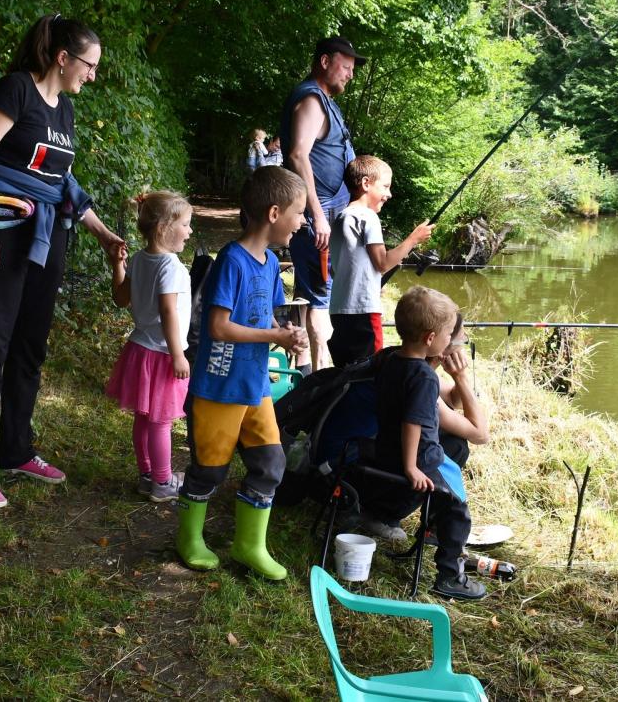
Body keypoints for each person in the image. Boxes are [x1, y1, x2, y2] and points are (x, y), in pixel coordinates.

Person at [0, 14, 124, 509]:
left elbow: (60, 182)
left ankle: (16, 450)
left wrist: (103, 234)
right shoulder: (17, 90)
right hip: (3, 229)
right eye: (89, 65)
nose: (93, 75)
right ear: (63, 58)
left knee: (30, 347)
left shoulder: (64, 109)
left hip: (48, 237)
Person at [176, 165, 309, 580]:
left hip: (255, 387)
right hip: (219, 387)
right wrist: (273, 334)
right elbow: (218, 327)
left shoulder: (270, 263)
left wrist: (287, 334)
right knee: (209, 471)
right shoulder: (231, 261)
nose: (302, 221)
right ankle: (189, 539)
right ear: (274, 213)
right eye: (299, 212)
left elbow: (265, 315)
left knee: (271, 464)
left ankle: (249, 546)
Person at [369, 286, 486, 600]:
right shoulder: (423, 377)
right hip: (424, 458)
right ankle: (449, 575)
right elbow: (413, 422)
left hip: (385, 450)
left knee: (450, 503)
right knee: (457, 509)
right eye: (449, 334)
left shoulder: (390, 359)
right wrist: (412, 467)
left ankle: (437, 536)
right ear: (431, 338)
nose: (452, 340)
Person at [279, 36, 365, 374]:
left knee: (310, 293)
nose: (350, 74)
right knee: (321, 299)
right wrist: (317, 215)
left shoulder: (323, 99)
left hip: (326, 215)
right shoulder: (312, 100)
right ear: (325, 62)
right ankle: (323, 376)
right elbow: (298, 155)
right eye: (346, 67)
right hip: (321, 217)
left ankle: (304, 369)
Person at [104, 191, 193, 503]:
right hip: (162, 354)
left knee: (143, 418)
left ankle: (147, 475)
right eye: (186, 224)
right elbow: (168, 311)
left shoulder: (140, 259)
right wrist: (178, 355)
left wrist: (118, 265)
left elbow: (120, 299)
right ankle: (163, 481)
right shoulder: (171, 266)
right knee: (160, 422)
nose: (190, 231)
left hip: (139, 349)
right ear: (164, 227)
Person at [327, 155, 432, 367]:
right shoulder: (368, 217)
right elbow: (383, 263)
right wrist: (413, 239)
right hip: (363, 310)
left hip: (338, 309)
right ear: (366, 183)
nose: (389, 194)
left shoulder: (340, 218)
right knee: (370, 371)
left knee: (346, 371)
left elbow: (334, 270)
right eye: (385, 186)